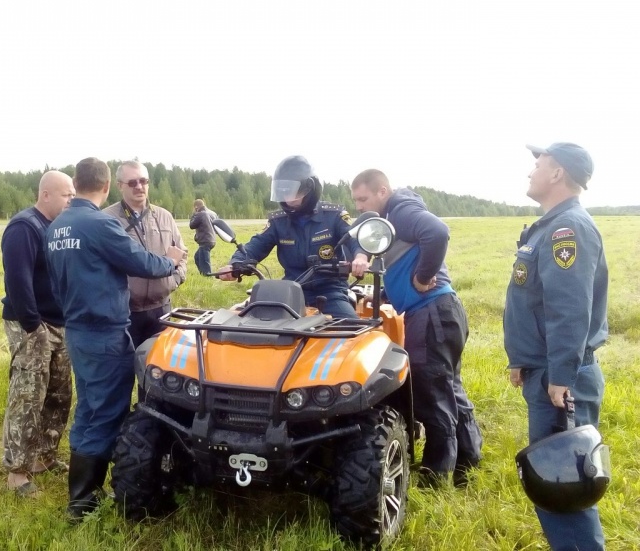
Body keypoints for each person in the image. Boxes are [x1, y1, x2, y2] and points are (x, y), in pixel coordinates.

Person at [45, 157, 185, 521]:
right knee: (107, 412)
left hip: (76, 329)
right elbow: (141, 262)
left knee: (89, 410)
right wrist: (169, 260)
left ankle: (82, 495)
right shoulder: (100, 224)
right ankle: (83, 502)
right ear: (107, 186)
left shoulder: (58, 225)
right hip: (104, 331)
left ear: (77, 184)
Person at [350, 169, 483, 486]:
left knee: (431, 394)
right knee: (450, 388)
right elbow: (380, 247)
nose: (359, 206)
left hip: (431, 312)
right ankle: (469, 460)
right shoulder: (388, 220)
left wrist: (423, 278)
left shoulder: (400, 210)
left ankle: (436, 476)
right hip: (443, 312)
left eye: (363, 199)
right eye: (355, 200)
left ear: (382, 191)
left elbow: (437, 232)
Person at [504, 143, 607, 550]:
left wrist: (561, 376)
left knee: (565, 484)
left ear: (557, 172)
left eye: (538, 163)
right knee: (555, 481)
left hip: (560, 379)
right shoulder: (549, 225)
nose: (531, 170)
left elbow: (569, 310)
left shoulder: (568, 229)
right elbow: (535, 304)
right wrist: (521, 361)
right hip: (545, 370)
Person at [0, 170, 76, 497]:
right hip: (31, 324)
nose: (72, 200)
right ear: (46, 195)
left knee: (59, 393)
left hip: (59, 323)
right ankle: (17, 472)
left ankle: (43, 457)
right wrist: (34, 328)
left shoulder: (56, 228)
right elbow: (17, 282)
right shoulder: (24, 227)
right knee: (28, 395)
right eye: (66, 195)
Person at [219, 156, 368, 319]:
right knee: (254, 329)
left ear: (310, 189)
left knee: (352, 331)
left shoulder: (333, 216)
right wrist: (235, 265)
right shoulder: (278, 222)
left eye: (293, 191)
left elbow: (353, 237)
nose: (288, 199)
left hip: (330, 291)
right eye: (283, 191)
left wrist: (360, 257)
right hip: (290, 291)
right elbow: (255, 247)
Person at [103, 161, 187, 351]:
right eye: (132, 182)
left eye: (143, 181)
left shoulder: (164, 216)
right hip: (124, 313)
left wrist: (174, 279)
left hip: (161, 309)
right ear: (119, 185)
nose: (139, 186)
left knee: (158, 370)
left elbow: (182, 253)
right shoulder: (107, 219)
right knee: (123, 371)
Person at [189, 198, 218, 276]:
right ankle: (203, 275)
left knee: (205, 261)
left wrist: (194, 215)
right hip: (212, 239)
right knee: (197, 257)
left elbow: (192, 225)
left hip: (205, 240)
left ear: (196, 207)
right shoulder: (212, 213)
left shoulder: (200, 214)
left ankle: (207, 276)